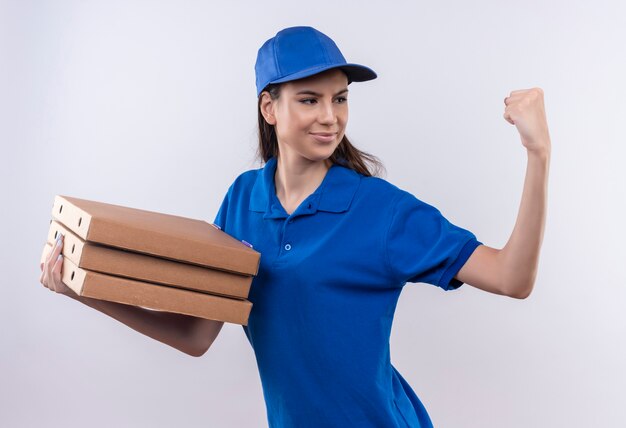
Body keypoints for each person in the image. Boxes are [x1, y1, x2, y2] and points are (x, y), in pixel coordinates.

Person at [40, 26, 551, 427]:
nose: (330, 116)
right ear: (269, 107)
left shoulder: (382, 211)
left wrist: (537, 153)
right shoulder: (242, 200)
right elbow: (196, 335)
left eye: (340, 98)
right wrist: (81, 289)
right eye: (310, 99)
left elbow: (512, 278)